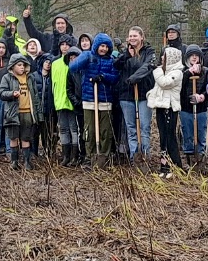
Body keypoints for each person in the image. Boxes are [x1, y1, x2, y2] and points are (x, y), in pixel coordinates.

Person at [69, 33, 119, 167]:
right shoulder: (88, 57)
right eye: (101, 46)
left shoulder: (111, 61)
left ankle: (104, 156)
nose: (104, 49)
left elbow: (115, 78)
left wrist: (103, 76)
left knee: (105, 131)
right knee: (89, 130)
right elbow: (73, 67)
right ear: (96, 46)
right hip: (89, 99)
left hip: (105, 99)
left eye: (106, 47)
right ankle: (90, 156)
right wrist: (84, 57)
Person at [114, 26, 156, 164]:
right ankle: (134, 156)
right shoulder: (125, 53)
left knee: (144, 127)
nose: (132, 38)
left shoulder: (149, 51)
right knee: (131, 128)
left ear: (142, 37)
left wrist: (134, 77)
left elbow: (148, 67)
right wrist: (127, 55)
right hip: (126, 95)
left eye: (135, 36)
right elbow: (116, 65)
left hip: (144, 94)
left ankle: (145, 155)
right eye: (130, 36)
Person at [0, 54, 43, 170]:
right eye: (19, 65)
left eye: (23, 65)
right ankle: (14, 162)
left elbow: (35, 96)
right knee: (13, 137)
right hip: (13, 113)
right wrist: (12, 94)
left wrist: (38, 114)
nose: (22, 67)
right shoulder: (7, 78)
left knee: (26, 137)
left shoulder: (30, 78)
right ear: (13, 66)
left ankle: (27, 162)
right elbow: (2, 93)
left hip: (28, 112)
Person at [146, 46, 184, 179]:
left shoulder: (177, 73)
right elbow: (158, 89)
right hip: (161, 107)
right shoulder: (164, 71)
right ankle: (164, 166)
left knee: (170, 137)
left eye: (165, 56)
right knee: (163, 137)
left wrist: (156, 71)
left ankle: (176, 166)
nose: (162, 58)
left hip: (170, 108)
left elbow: (164, 83)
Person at [179, 44, 208, 162]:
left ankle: (201, 157)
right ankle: (189, 158)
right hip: (186, 108)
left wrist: (202, 96)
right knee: (188, 133)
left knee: (201, 132)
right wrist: (187, 73)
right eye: (191, 55)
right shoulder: (182, 72)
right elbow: (179, 89)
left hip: (201, 108)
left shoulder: (206, 72)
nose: (194, 58)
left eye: (196, 55)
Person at [54, 46, 81, 167]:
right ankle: (66, 156)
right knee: (63, 130)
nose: (73, 59)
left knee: (74, 130)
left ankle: (75, 156)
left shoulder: (78, 70)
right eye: (71, 58)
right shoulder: (57, 64)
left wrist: (76, 101)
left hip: (73, 104)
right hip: (60, 102)